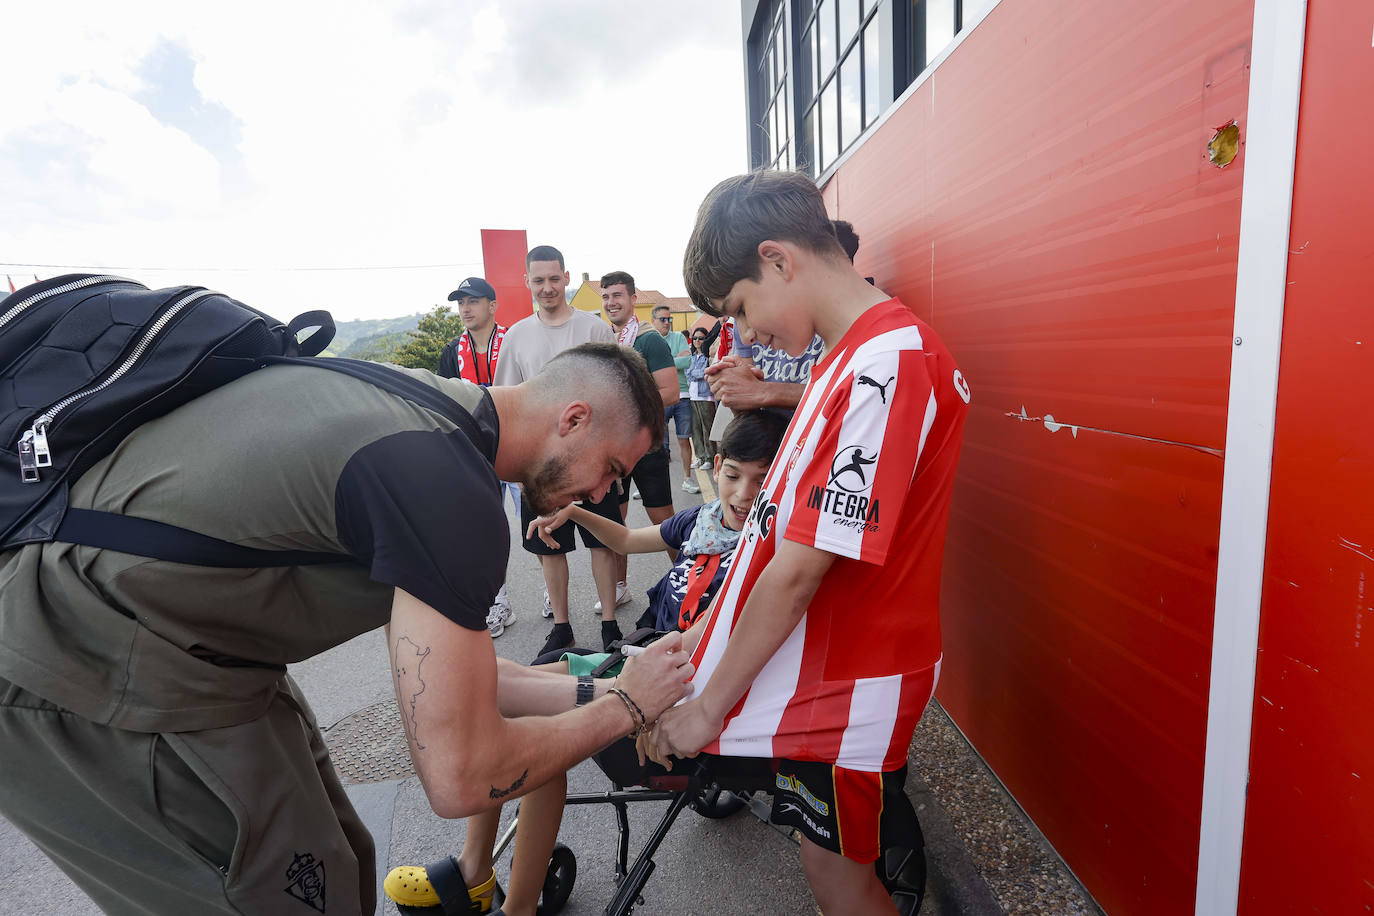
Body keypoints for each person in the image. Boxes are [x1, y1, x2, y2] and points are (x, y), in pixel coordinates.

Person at [0, 342, 695, 916]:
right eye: (611, 470)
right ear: (573, 419)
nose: (607, 495)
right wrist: (627, 709)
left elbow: (469, 679)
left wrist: (601, 694)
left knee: (343, 859)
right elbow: (461, 779)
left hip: (201, 656)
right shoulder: (448, 491)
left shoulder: (428, 408)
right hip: (84, 666)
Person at [644, 171, 971, 915]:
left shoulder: (891, 360)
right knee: (828, 871)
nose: (745, 331)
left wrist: (706, 710)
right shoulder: (850, 356)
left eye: (741, 306)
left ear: (779, 259)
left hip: (848, 676)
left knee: (841, 882)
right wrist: (701, 633)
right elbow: (772, 535)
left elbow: (798, 573)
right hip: (822, 667)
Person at [384, 410, 787, 916]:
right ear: (718, 464)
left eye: (761, 481)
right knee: (494, 686)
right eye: (732, 476)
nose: (743, 494)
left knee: (517, 726)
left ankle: (500, 893)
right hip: (636, 661)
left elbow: (698, 641)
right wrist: (572, 512)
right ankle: (476, 874)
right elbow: (623, 541)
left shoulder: (768, 555)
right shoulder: (701, 522)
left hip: (671, 681)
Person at [494, 246, 624, 656]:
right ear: (527, 282)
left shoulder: (595, 330)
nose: (547, 287)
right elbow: (507, 402)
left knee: (601, 542)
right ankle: (562, 628)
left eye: (554, 278)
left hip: (592, 458)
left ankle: (609, 624)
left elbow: (619, 394)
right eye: (538, 280)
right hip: (540, 465)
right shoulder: (516, 336)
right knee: (549, 545)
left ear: (566, 277)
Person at [704, 218, 861, 428]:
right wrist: (737, 385)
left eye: (742, 309)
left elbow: (852, 394)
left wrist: (763, 391)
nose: (746, 335)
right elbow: (747, 397)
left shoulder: (866, 331)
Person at [437, 275, 520, 637]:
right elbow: (443, 403)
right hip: (476, 451)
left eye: (473, 301)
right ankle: (498, 602)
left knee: (540, 520)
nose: (465, 309)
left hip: (518, 444)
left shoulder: (514, 341)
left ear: (492, 305)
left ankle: (552, 592)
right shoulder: (451, 351)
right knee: (487, 530)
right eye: (461, 303)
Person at [599, 272, 681, 602]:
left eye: (617, 295)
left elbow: (671, 392)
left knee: (662, 519)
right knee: (614, 522)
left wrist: (625, 403)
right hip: (612, 450)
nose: (610, 302)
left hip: (646, 447)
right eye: (606, 297)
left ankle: (686, 577)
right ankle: (620, 587)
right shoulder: (606, 340)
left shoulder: (649, 340)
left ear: (634, 299)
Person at [653, 303, 696, 480]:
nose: (667, 322)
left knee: (684, 440)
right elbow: (647, 367)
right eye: (662, 319)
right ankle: (658, 482)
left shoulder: (678, 336)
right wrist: (674, 359)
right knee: (658, 445)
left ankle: (687, 478)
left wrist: (661, 363)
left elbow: (687, 361)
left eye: (669, 319)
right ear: (653, 321)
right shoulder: (650, 340)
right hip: (659, 397)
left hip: (682, 395)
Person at [685, 327, 717, 490]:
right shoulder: (692, 357)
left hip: (705, 396)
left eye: (701, 338)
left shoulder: (707, 357)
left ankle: (710, 458)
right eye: (695, 338)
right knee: (695, 429)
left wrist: (694, 372)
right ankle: (700, 456)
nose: (697, 341)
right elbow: (688, 373)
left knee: (707, 428)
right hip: (693, 395)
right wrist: (695, 372)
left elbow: (703, 373)